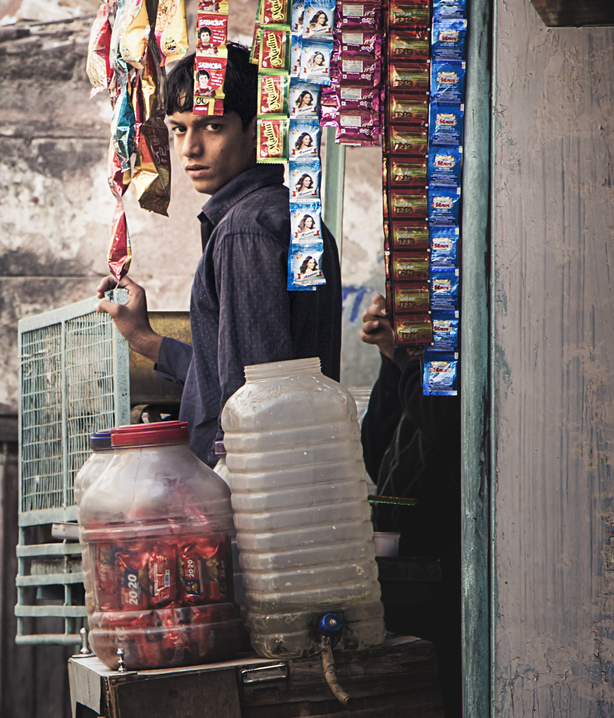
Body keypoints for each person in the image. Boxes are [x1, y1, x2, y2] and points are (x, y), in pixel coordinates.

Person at [96, 42, 342, 464]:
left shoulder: (246, 231)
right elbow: (225, 369)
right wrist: (144, 339)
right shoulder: (289, 215)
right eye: (178, 129)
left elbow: (255, 393)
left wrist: (230, 491)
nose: (189, 148)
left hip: (251, 488)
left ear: (254, 128)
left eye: (212, 127)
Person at [358, 294, 462, 717]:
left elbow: (443, 421)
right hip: (409, 560)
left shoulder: (450, 367)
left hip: (445, 558)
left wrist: (403, 354)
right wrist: (391, 358)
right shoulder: (414, 368)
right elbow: (375, 450)